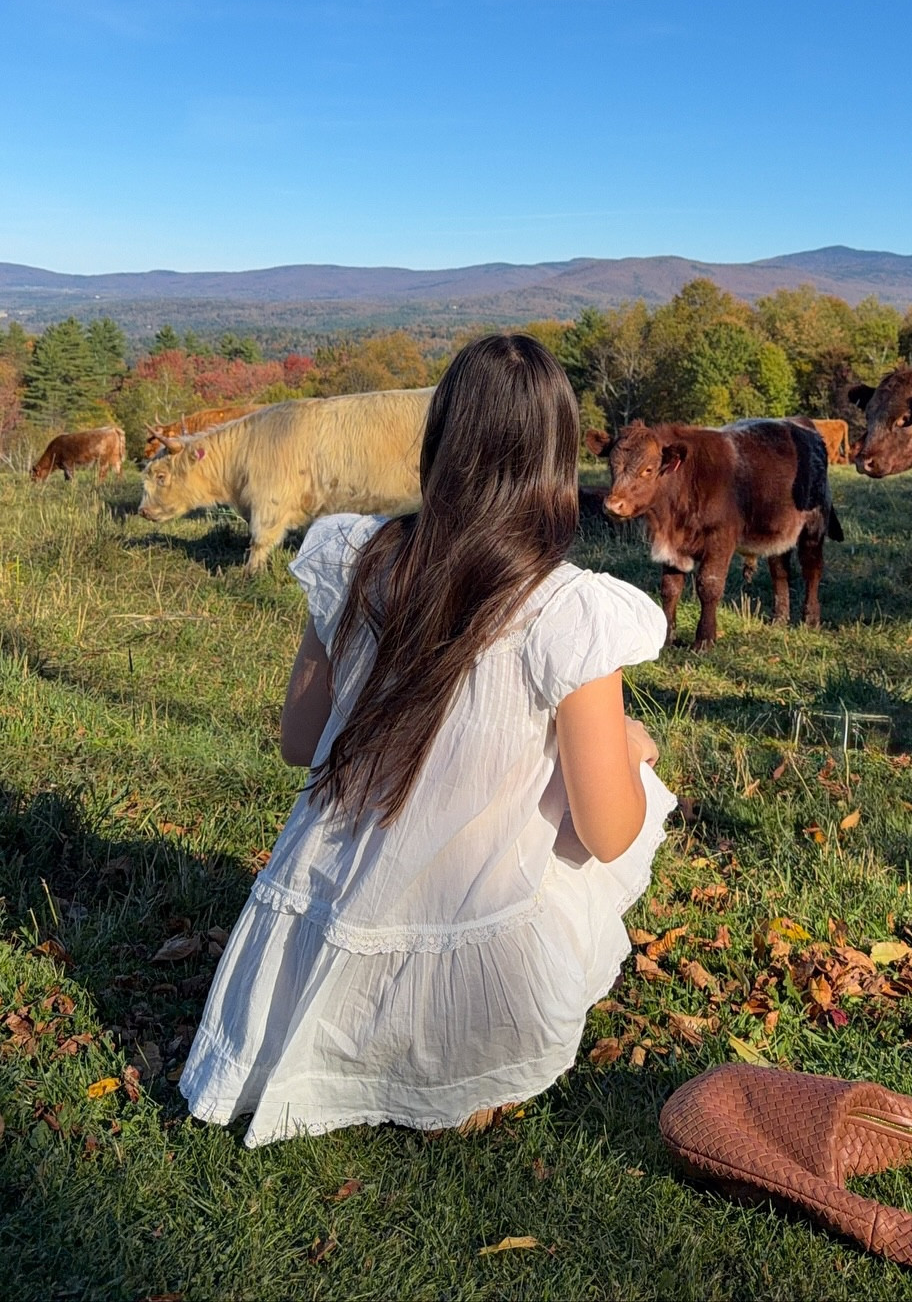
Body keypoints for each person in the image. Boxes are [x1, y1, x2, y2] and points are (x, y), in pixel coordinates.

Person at [181, 333, 675, 1147]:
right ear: (554, 459)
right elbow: (608, 832)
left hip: (334, 905)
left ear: (440, 437)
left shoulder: (356, 555)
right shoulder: (567, 608)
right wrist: (631, 745)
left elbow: (300, 741)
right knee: (630, 784)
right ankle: (454, 1060)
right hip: (472, 941)